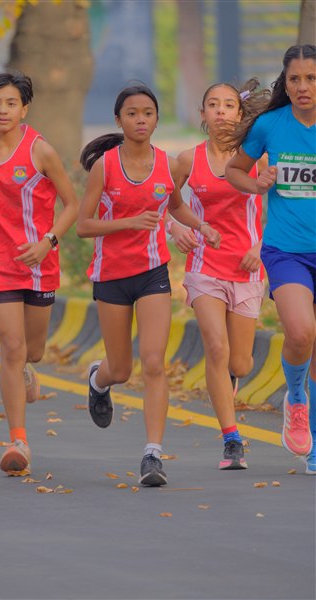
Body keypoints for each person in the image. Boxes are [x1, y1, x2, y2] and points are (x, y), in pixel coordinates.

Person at [77, 84, 220, 486]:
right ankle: (98, 379)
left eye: (148, 113)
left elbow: (176, 206)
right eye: (132, 113)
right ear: (118, 120)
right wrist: (128, 222)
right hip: (111, 274)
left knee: (155, 362)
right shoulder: (105, 166)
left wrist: (202, 226)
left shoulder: (168, 165)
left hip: (153, 272)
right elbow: (83, 225)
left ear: (156, 119)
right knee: (121, 369)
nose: (140, 120)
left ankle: (152, 455)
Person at [0, 72, 79, 475]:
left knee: (32, 351)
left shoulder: (40, 151)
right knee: (11, 346)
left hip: (39, 264)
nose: (3, 110)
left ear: (24, 109)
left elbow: (72, 204)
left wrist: (48, 242)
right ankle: (19, 441)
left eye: (11, 103)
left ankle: (28, 366)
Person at [167, 80, 270, 470]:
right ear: (203, 114)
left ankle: (230, 380)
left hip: (247, 267)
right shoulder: (186, 160)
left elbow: (280, 207)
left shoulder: (257, 160)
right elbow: (162, 201)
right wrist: (175, 228)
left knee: (240, 363)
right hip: (204, 267)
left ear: (240, 115)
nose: (221, 111)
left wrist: (260, 248)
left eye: (228, 105)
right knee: (216, 347)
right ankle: (231, 439)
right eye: (213, 104)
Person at [226, 44, 316, 474]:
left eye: (311, 78)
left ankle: (314, 447)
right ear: (285, 82)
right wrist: (258, 183)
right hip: (287, 250)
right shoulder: (270, 125)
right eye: (295, 79)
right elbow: (234, 170)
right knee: (301, 331)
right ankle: (295, 397)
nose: (303, 87)